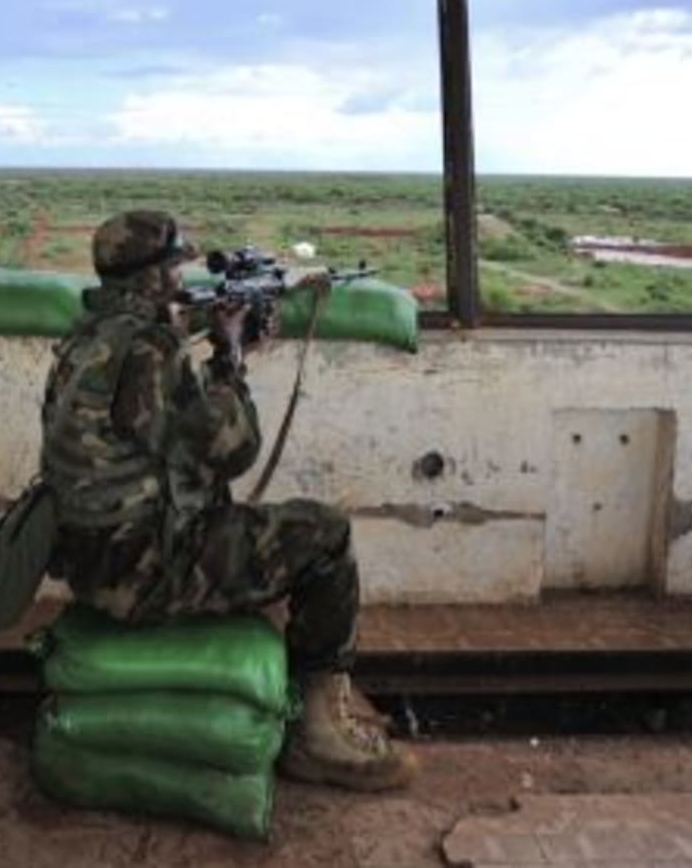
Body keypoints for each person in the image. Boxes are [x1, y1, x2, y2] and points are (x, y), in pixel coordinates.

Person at [40, 208, 415, 791]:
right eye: (173, 269)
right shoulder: (150, 348)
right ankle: (320, 736)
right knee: (326, 535)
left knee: (245, 524)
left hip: (93, 558)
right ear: (151, 277)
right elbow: (232, 448)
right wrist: (232, 355)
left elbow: (161, 436)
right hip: (145, 572)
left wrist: (220, 342)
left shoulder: (87, 337)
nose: (182, 279)